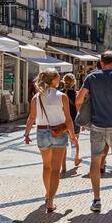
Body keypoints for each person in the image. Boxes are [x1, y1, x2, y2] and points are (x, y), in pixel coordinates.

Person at [76, 50, 112, 213]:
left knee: (95, 161)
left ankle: (96, 200)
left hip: (96, 125)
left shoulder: (91, 77)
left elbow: (79, 99)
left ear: (101, 62)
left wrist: (84, 114)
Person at [24, 69, 78, 213]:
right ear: (53, 80)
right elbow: (68, 119)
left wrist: (27, 133)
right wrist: (72, 135)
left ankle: (48, 194)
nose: (60, 79)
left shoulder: (37, 97)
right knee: (55, 169)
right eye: (58, 77)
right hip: (58, 133)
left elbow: (31, 117)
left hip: (42, 132)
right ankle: (51, 201)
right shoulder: (62, 96)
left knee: (46, 166)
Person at [61, 74, 82, 173]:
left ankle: (63, 166)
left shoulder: (60, 94)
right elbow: (78, 109)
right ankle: (75, 158)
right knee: (74, 141)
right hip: (74, 120)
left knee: (63, 144)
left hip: (62, 121)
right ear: (74, 82)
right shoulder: (76, 94)